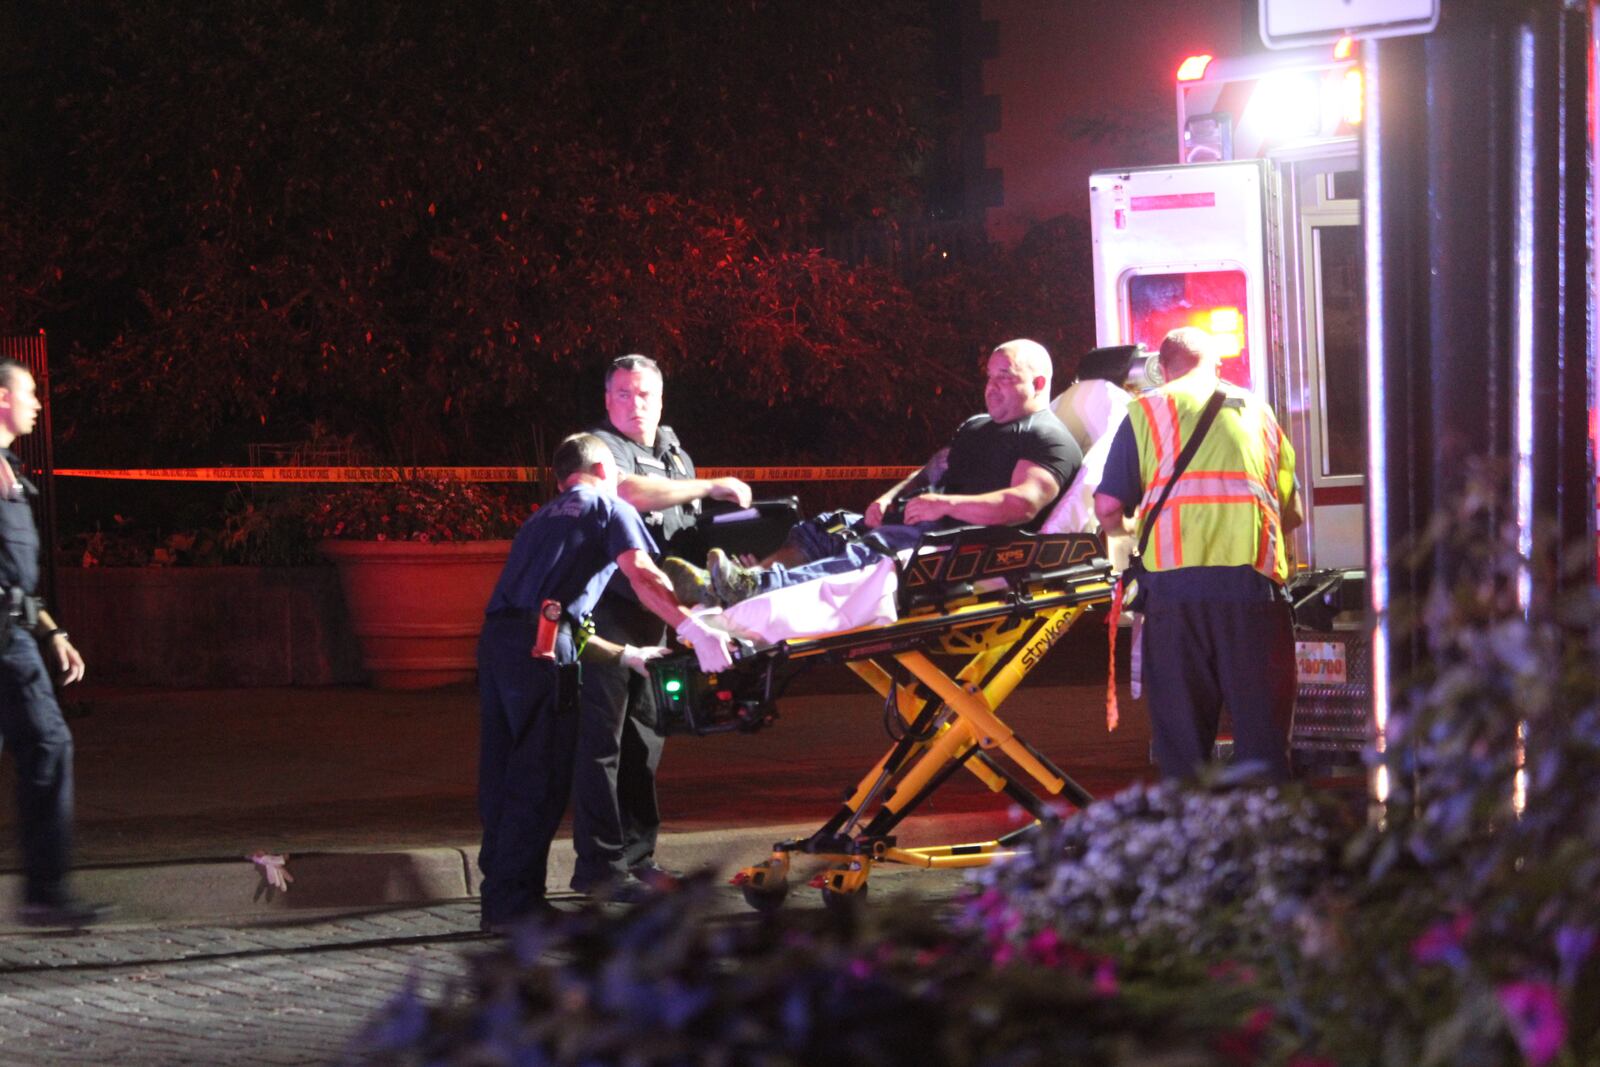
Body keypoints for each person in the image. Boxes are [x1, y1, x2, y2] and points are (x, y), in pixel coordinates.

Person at [476, 433, 732, 930]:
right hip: (544, 649)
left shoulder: (539, 519)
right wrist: (693, 629)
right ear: (602, 466)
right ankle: (513, 906)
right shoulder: (606, 506)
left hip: (498, 647)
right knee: (542, 773)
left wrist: (626, 654)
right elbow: (644, 576)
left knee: (503, 773)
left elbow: (543, 608)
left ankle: (502, 894)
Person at [671, 339, 1083, 605]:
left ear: (1040, 382)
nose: (991, 387)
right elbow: (932, 468)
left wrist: (945, 504)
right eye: (990, 377)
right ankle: (739, 582)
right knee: (828, 527)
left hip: (960, 545)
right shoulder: (976, 426)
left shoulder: (1048, 438)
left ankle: (757, 589)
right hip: (925, 524)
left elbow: (1021, 505)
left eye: (1005, 378)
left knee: (866, 552)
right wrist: (888, 498)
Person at [573, 355, 752, 899]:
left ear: (661, 399)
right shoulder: (597, 450)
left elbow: (686, 536)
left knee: (644, 743)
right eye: (623, 394)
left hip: (657, 619)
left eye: (645, 393)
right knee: (601, 746)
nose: (635, 404)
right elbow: (627, 494)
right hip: (604, 621)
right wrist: (708, 485)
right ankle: (601, 871)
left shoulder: (675, 455)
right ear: (607, 401)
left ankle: (637, 860)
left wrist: (735, 553)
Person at [1092, 327, 1303, 782]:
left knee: (1184, 748)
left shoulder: (1146, 410)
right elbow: (1288, 512)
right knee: (1263, 740)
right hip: (1254, 593)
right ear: (1217, 367)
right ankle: (1271, 843)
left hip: (1175, 595)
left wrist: (1130, 534)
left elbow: (1107, 506)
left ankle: (1192, 846)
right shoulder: (1260, 413)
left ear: (1163, 369)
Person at [0, 359, 99, 927]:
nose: (38, 402)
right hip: (4, 644)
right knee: (49, 744)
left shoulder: (11, 470)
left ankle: (45, 891)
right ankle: (45, 893)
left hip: (16, 633)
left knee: (45, 747)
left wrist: (52, 631)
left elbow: (17, 578)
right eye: (29, 392)